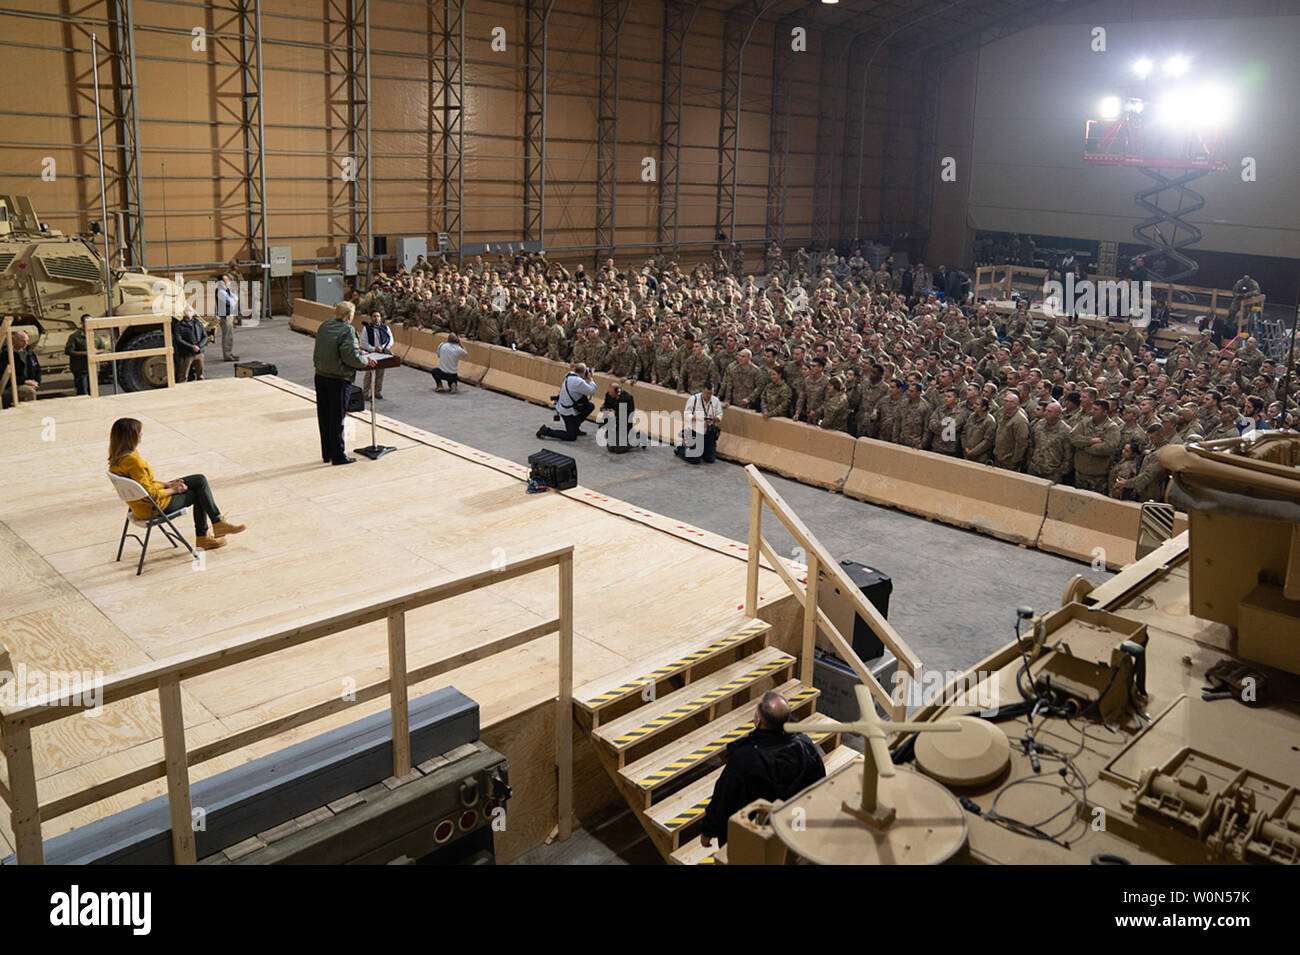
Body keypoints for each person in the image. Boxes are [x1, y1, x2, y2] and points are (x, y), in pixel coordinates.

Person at [699, 690, 826, 848]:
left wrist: (708, 831)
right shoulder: (805, 746)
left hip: (752, 837)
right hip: (795, 828)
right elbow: (820, 785)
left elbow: (724, 799)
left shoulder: (745, 759)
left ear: (758, 721)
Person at [107, 416, 245, 550]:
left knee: (199, 479)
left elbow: (144, 485)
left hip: (140, 507)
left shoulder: (117, 460)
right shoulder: (133, 462)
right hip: (153, 508)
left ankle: (216, 524)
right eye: (139, 432)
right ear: (130, 437)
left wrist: (168, 484)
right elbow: (151, 494)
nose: (141, 434)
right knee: (199, 492)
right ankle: (206, 534)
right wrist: (175, 490)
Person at [313, 301, 376, 465]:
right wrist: (364, 360)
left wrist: (356, 352)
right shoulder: (348, 329)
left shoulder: (325, 325)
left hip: (320, 375)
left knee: (324, 417)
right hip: (338, 379)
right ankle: (339, 455)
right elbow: (351, 357)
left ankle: (327, 453)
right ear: (350, 316)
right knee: (337, 418)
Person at [537, 362, 596, 442]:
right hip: (568, 412)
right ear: (584, 372)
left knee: (590, 406)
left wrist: (584, 377)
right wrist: (591, 379)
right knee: (571, 436)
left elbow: (577, 382)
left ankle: (575, 427)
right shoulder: (579, 382)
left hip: (564, 406)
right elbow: (592, 391)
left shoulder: (569, 375)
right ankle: (547, 431)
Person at [675, 382, 723, 464]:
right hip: (695, 431)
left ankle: (701, 449)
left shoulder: (716, 401)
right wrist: (695, 418)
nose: (709, 396)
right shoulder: (694, 399)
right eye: (707, 393)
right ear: (702, 390)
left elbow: (720, 415)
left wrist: (714, 418)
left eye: (711, 393)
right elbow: (686, 414)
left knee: (710, 459)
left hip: (708, 432)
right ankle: (680, 449)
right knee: (694, 459)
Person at [65, 313, 108, 395]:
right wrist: (84, 353)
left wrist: (96, 351)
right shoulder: (75, 336)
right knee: (83, 391)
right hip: (80, 369)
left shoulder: (95, 335)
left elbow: (102, 348)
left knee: (93, 391)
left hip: (93, 368)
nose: (89, 323)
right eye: (87, 321)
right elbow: (68, 351)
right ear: (82, 323)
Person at [1, 329, 40, 407]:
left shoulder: (30, 352)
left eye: (27, 341)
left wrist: (36, 381)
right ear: (14, 340)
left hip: (29, 382)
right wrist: (25, 382)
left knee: (30, 390)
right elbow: (4, 374)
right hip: (14, 384)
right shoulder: (6, 355)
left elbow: (37, 368)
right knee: (30, 392)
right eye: (22, 341)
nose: (26, 343)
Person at [360, 309, 393, 400]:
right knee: (369, 374)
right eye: (374, 316)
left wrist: (383, 347)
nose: (376, 318)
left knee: (380, 373)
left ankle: (377, 392)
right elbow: (364, 343)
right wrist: (374, 349)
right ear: (371, 318)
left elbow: (390, 339)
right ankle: (365, 393)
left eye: (378, 316)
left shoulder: (385, 328)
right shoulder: (366, 328)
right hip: (371, 353)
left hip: (382, 353)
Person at [598, 379, 637, 453]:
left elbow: (629, 415)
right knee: (611, 448)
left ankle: (636, 439)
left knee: (619, 450)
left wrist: (615, 413)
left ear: (618, 392)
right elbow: (604, 407)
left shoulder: (627, 397)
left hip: (623, 424)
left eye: (611, 393)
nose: (609, 394)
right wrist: (609, 411)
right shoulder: (608, 395)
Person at [172, 307, 207, 383]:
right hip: (186, 354)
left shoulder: (198, 323)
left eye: (190, 311)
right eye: (187, 311)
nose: (189, 312)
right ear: (184, 312)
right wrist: (191, 347)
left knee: (200, 375)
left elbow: (205, 336)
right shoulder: (180, 325)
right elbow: (179, 339)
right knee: (183, 376)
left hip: (199, 353)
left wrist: (199, 346)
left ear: (194, 312)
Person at [215, 273, 239, 361]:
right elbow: (232, 302)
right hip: (226, 316)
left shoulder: (225, 290)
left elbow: (235, 298)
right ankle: (227, 355)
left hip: (229, 315)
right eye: (226, 280)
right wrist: (233, 298)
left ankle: (229, 353)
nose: (228, 281)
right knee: (227, 336)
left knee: (230, 336)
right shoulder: (221, 292)